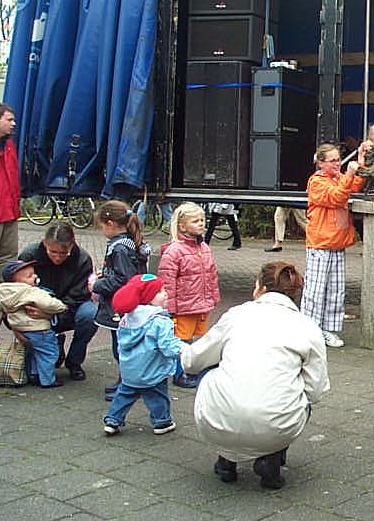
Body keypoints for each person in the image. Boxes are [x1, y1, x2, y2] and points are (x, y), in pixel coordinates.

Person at [180, 261, 329, 490]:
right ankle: (272, 457)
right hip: (276, 425)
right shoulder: (308, 328)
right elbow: (316, 391)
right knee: (296, 389)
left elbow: (192, 362)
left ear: (261, 288)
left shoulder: (236, 315)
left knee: (211, 367)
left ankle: (226, 459)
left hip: (219, 421)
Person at [301, 141, 367, 348]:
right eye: (332, 161)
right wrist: (350, 173)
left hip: (337, 244)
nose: (337, 163)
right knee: (315, 291)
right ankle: (311, 331)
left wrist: (361, 161)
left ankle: (328, 329)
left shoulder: (337, 178)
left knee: (335, 291)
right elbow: (337, 197)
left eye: (338, 160)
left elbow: (354, 185)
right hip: (320, 244)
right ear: (320, 163)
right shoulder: (317, 182)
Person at [102, 274, 181, 436]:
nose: (165, 294)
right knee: (158, 396)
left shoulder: (127, 318)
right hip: (152, 371)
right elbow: (168, 346)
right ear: (147, 298)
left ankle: (113, 420)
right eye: (159, 291)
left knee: (124, 395)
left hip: (130, 370)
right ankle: (162, 422)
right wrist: (182, 351)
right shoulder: (160, 321)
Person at [18, 222, 97, 381]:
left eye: (63, 253)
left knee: (91, 315)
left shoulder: (82, 259)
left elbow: (78, 296)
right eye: (53, 252)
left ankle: (74, 361)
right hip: (36, 308)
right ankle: (51, 347)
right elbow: (16, 289)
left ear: (72, 245)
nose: (58, 257)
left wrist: (52, 314)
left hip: (69, 307)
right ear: (44, 243)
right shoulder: (29, 256)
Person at [90, 200, 151, 400]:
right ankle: (124, 380)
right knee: (123, 346)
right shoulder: (129, 244)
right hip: (126, 306)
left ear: (110, 224)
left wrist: (97, 285)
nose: (102, 231)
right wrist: (106, 274)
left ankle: (127, 384)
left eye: (102, 226)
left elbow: (123, 280)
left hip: (120, 307)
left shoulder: (119, 248)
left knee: (122, 347)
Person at [157, 202, 219, 388]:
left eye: (202, 220)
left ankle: (189, 369)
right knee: (180, 339)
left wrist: (213, 297)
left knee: (193, 338)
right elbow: (167, 281)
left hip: (200, 304)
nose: (201, 224)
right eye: (195, 221)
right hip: (184, 306)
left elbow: (211, 274)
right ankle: (179, 374)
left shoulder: (204, 248)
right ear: (182, 226)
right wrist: (169, 307)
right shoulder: (174, 251)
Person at [0, 260, 67, 388]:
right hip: (39, 330)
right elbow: (48, 304)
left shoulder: (5, 293)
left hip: (21, 331)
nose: (35, 276)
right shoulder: (31, 292)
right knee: (49, 353)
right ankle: (48, 380)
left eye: (33, 273)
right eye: (29, 276)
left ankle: (33, 374)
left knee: (33, 352)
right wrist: (61, 307)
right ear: (17, 282)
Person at [0, 102, 19, 286]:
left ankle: (4, 293)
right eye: (9, 119)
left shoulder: (9, 145)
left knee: (9, 259)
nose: (13, 124)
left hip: (10, 211)